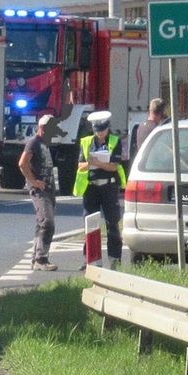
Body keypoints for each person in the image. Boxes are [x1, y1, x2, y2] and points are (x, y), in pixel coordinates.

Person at [74, 110, 126, 268]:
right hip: (91, 187)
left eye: (102, 130)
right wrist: (91, 163)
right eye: (97, 131)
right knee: (90, 223)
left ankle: (114, 260)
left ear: (108, 128)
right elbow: (80, 165)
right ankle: (90, 259)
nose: (100, 134)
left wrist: (96, 162)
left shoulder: (115, 141)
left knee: (112, 223)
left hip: (109, 186)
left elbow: (113, 166)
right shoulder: (86, 142)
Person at [18, 114, 60, 271]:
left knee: (41, 223)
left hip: (48, 189)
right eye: (51, 128)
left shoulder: (44, 143)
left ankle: (36, 258)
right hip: (39, 190)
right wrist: (33, 181)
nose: (53, 132)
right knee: (47, 222)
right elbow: (22, 163)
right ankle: (41, 259)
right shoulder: (34, 143)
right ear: (42, 128)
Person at [130, 98, 167, 163]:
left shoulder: (138, 128)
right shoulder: (158, 130)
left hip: (141, 165)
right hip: (154, 165)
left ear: (150, 110)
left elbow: (133, 151)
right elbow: (162, 153)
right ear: (162, 113)